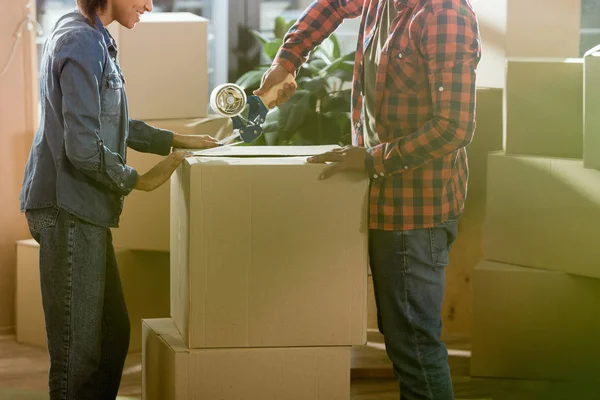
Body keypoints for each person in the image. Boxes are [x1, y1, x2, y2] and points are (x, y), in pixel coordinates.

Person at [257, 0, 480, 398]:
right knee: (402, 342)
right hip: (382, 196)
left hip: (416, 210)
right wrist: (288, 60)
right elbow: (332, 4)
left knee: (414, 347)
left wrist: (371, 160)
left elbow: (454, 128)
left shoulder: (444, 16)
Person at [19, 0, 218, 398]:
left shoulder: (90, 35)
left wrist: (175, 140)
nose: (148, 4)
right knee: (78, 354)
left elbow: (111, 123)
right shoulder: (81, 42)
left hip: (82, 208)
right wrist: (137, 181)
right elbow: (82, 147)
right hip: (69, 210)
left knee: (112, 334)